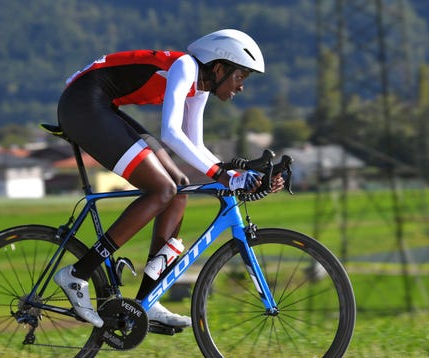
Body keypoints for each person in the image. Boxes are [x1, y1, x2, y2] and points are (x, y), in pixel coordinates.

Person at [54, 29, 284, 328]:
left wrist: (236, 175)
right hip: (82, 104)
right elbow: (171, 133)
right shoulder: (185, 67)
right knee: (162, 188)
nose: (241, 87)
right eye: (241, 76)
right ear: (219, 68)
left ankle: (147, 300)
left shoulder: (199, 89)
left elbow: (196, 147)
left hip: (101, 105)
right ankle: (77, 274)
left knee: (179, 187)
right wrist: (221, 174)